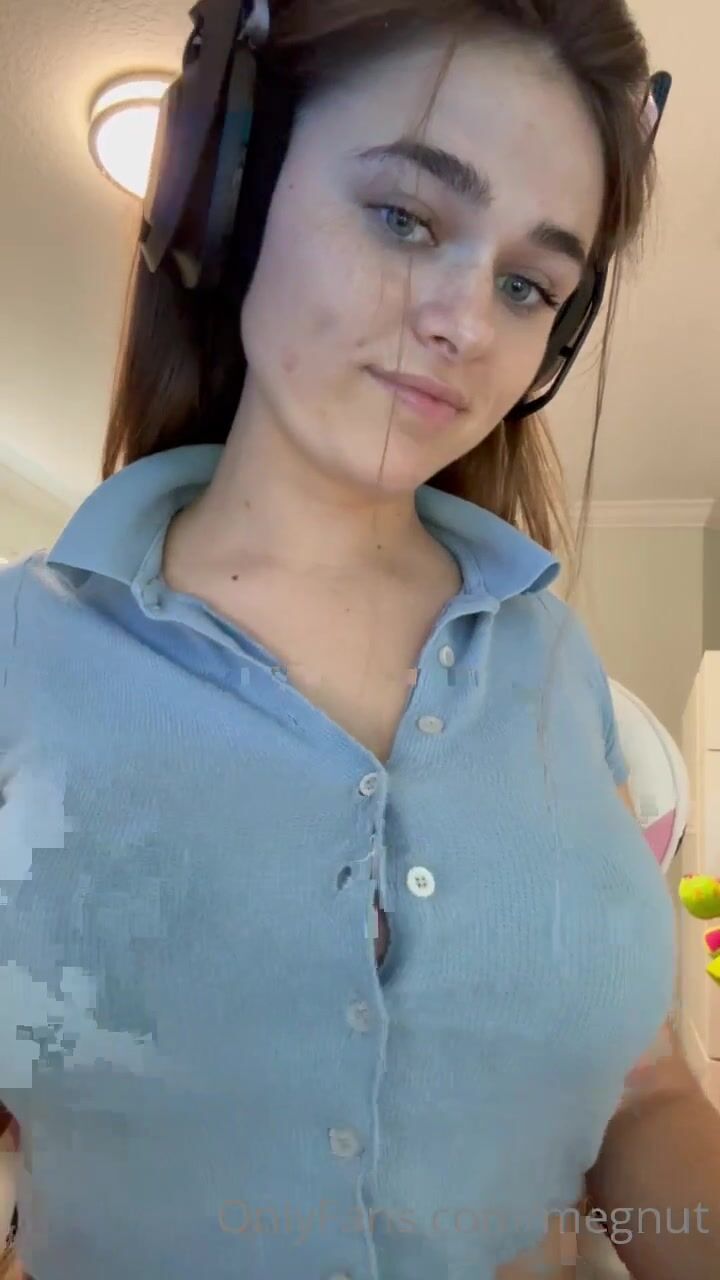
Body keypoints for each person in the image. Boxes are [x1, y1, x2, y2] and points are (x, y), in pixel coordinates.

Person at [1, 1, 719, 1277]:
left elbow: (643, 1090)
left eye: (527, 285)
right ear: (229, 193)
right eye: (404, 217)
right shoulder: (21, 654)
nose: (467, 324)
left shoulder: (561, 673)